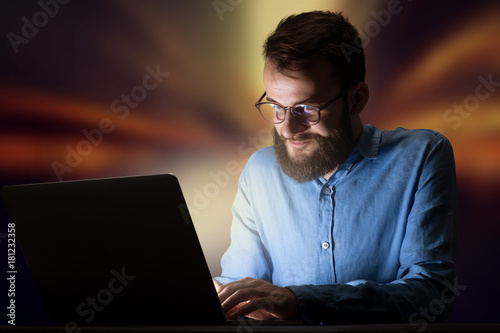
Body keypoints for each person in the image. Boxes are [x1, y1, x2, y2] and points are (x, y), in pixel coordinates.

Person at [214, 11, 457, 325]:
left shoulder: (422, 155)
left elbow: (431, 294)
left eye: (306, 109)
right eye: (276, 106)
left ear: (356, 99)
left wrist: (297, 301)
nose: (287, 129)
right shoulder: (258, 172)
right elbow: (244, 296)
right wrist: (222, 297)